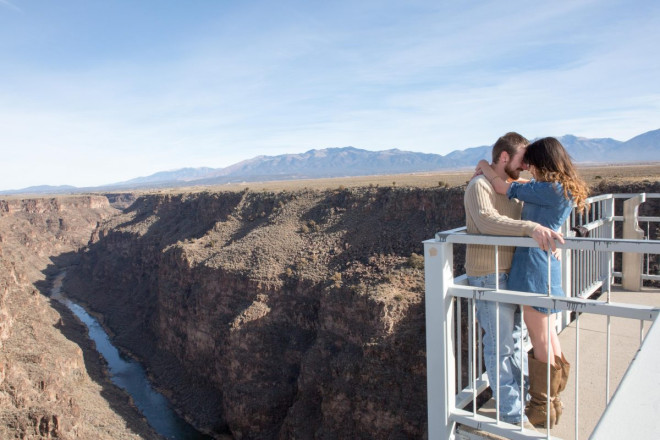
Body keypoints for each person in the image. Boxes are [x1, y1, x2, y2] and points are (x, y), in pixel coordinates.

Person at [476, 137, 589, 428]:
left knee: (540, 341)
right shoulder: (557, 188)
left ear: (544, 162)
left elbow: (502, 187)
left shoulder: (548, 188)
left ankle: (542, 407)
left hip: (533, 270)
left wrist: (485, 167)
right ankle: (553, 401)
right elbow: (522, 188)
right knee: (549, 337)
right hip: (544, 267)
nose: (527, 167)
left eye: (531, 162)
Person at [464, 132, 564, 428]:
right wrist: (531, 228)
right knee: (500, 346)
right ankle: (510, 416)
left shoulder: (511, 184)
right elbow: (486, 221)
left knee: (518, 343)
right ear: (505, 157)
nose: (525, 166)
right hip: (489, 276)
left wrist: (547, 239)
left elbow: (541, 200)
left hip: (516, 274)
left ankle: (522, 404)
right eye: (522, 160)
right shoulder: (477, 186)